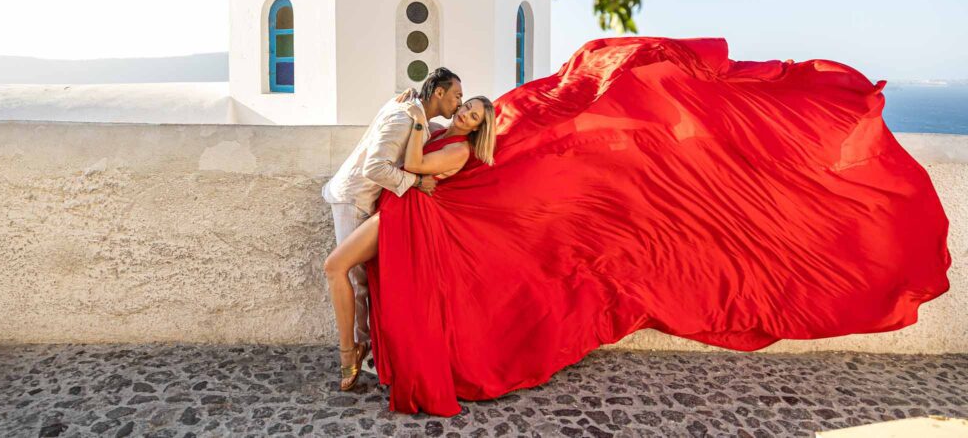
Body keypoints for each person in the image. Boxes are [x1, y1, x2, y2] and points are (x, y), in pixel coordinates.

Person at [358, 36, 951, 417]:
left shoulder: (481, 131)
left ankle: (362, 357)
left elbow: (490, 146)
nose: (464, 110)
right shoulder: (473, 128)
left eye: (471, 107)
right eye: (460, 104)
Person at [321, 67, 463, 391]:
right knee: (353, 278)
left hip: (363, 200)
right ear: (438, 93)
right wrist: (416, 181)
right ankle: (354, 353)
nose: (459, 102)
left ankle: (367, 352)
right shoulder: (405, 117)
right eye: (456, 95)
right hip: (353, 198)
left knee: (364, 279)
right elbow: (374, 167)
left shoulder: (413, 111)